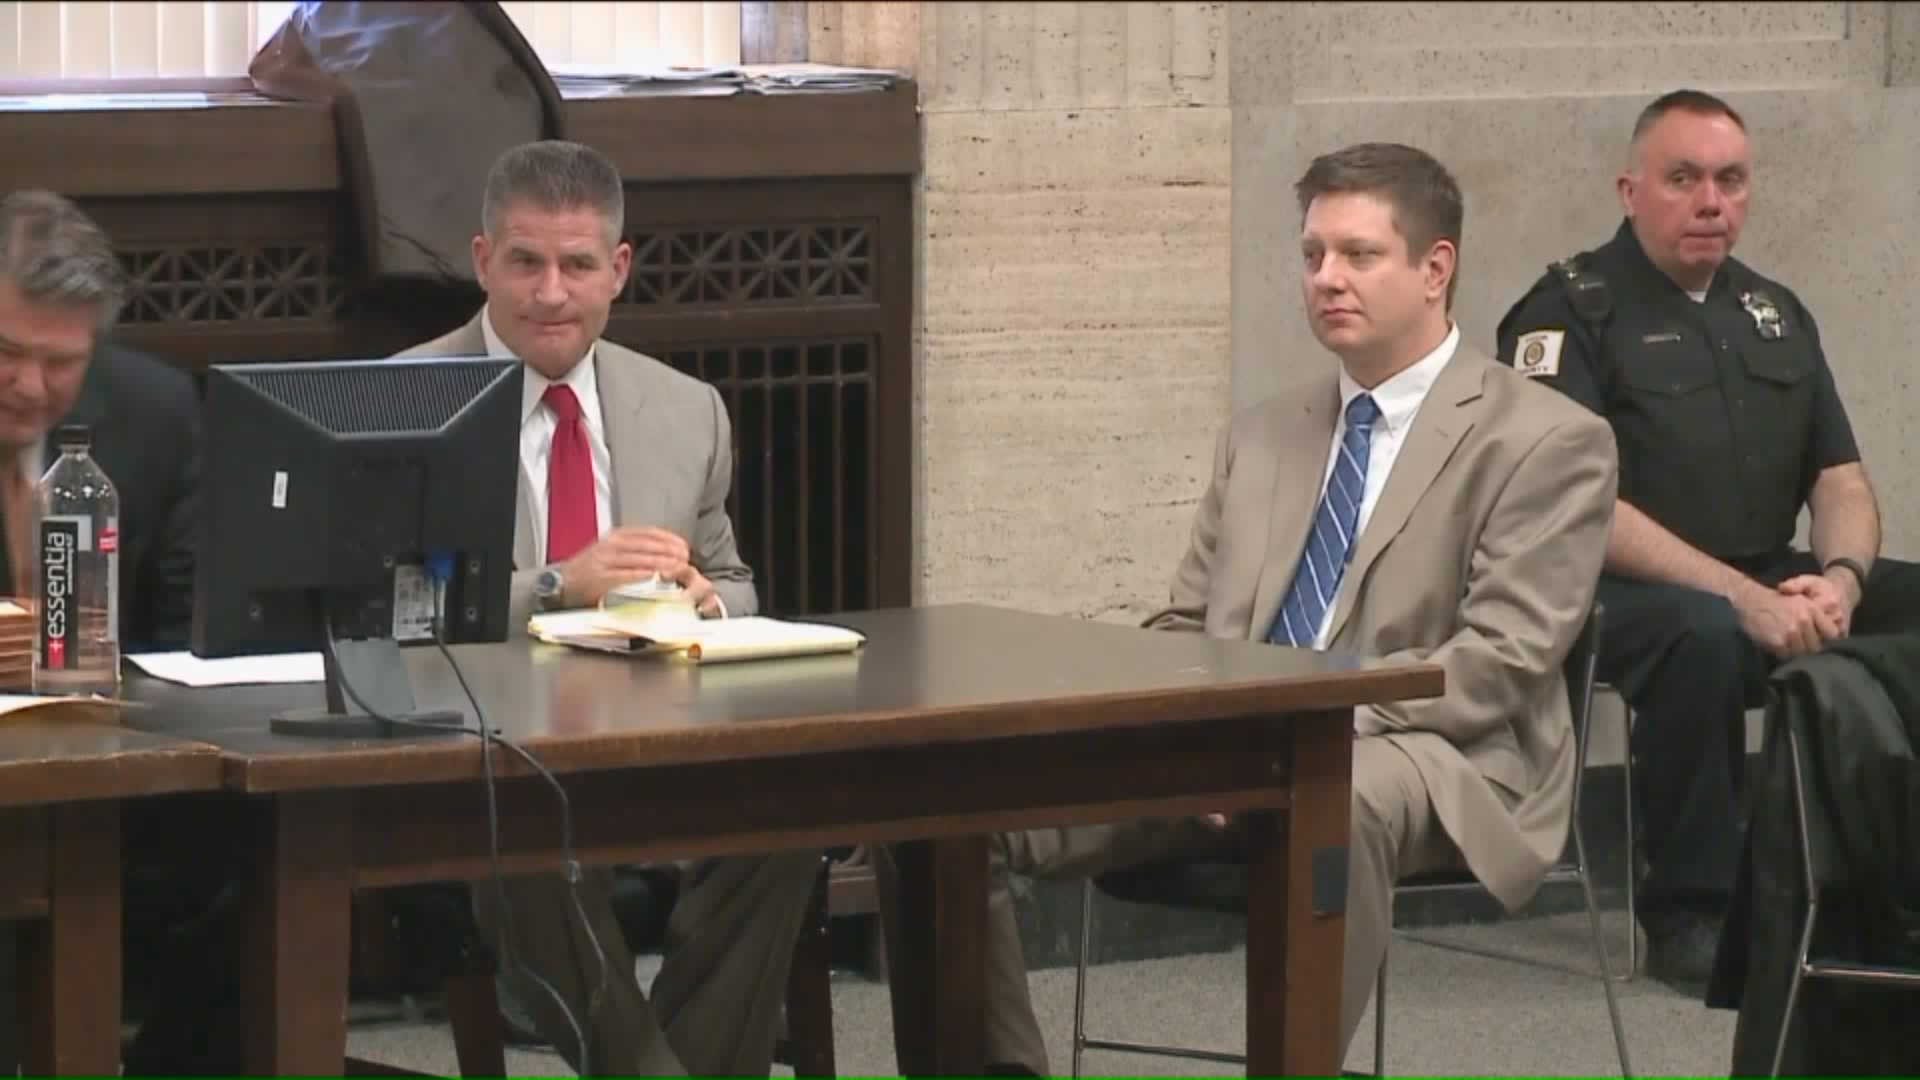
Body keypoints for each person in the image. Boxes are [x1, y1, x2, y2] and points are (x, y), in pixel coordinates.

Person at [921, 143, 1618, 1073]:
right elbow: (1182, 628)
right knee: (951, 802)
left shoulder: (1546, 439)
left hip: (1436, 753)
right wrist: (1167, 727)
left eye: (1359, 255)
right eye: (1312, 255)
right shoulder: (1261, 435)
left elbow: (1500, 662)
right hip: (1227, 745)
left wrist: (1282, 740)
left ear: (1435, 268)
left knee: (1335, 801)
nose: (1326, 279)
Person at [396, 138, 820, 1076]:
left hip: (663, 741)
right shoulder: (408, 399)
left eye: (578, 265)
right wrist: (557, 586)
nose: (552, 292)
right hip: (487, 759)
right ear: (481, 260)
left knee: (796, 814)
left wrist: (709, 603)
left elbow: (735, 580)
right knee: (522, 832)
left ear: (617, 270)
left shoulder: (687, 410)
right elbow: (392, 613)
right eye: (526, 263)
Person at [1494, 89, 1920, 994]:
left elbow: (1839, 479)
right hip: (1607, 587)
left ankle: (1890, 878)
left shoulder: (1775, 312)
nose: (1710, 201)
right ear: (1629, 188)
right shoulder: (1565, 313)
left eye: (1730, 180)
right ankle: (1692, 910)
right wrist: (1744, 597)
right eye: (1683, 178)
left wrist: (1839, 579)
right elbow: (1582, 507)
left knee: (1910, 600)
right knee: (1705, 636)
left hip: (1771, 571)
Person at [0, 190, 224, 1072]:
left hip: (107, 770)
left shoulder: (154, 410)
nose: (28, 386)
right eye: (5, 353)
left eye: (59, 362)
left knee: (260, 881)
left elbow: (187, 624)